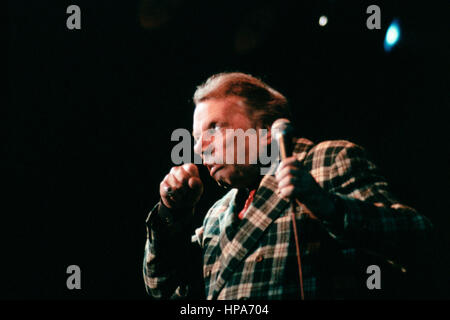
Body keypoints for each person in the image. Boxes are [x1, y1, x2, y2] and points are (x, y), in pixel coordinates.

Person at [143, 72, 433, 300]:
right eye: (195, 137)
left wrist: (326, 205)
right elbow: (164, 289)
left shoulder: (326, 160)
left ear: (266, 131)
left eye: (214, 128)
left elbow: (416, 238)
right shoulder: (216, 214)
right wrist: (172, 214)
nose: (200, 147)